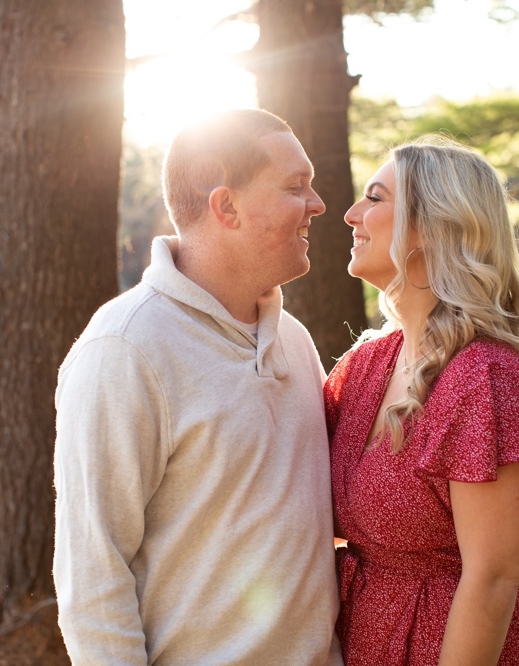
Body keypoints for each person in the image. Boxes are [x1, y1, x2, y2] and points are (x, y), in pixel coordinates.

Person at [53, 109, 344, 665]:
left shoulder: (294, 339)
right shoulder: (125, 348)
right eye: (295, 187)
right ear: (226, 206)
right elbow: (93, 577)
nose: (319, 204)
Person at [325, 135, 519, 665]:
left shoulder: (485, 379)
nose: (350, 214)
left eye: (374, 199)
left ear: (432, 227)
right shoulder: (366, 366)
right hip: (364, 638)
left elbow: (493, 578)